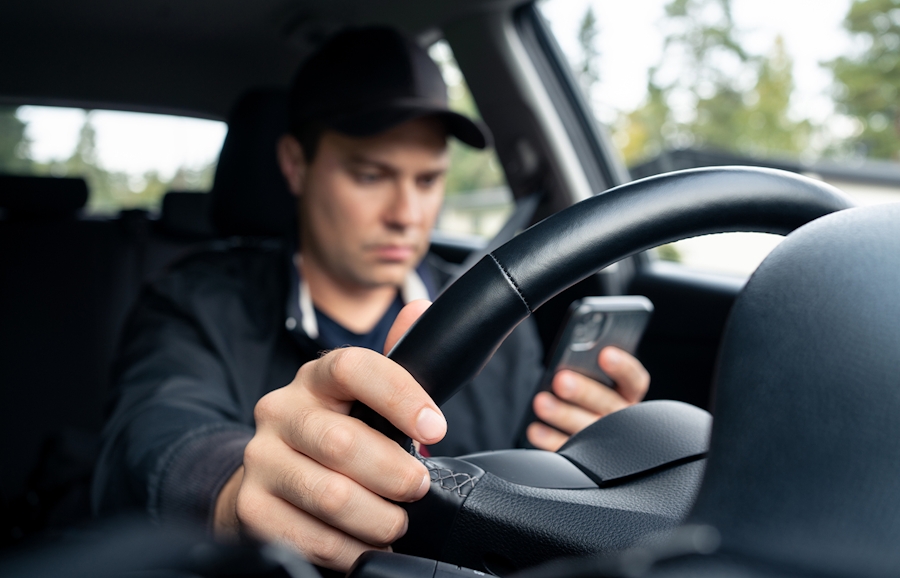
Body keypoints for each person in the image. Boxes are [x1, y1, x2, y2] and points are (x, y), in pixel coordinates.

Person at [93, 27, 650, 572]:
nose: (406, 215)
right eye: (370, 175)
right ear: (295, 165)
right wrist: (236, 490)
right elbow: (155, 435)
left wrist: (587, 463)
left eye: (427, 181)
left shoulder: (493, 317)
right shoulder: (194, 300)